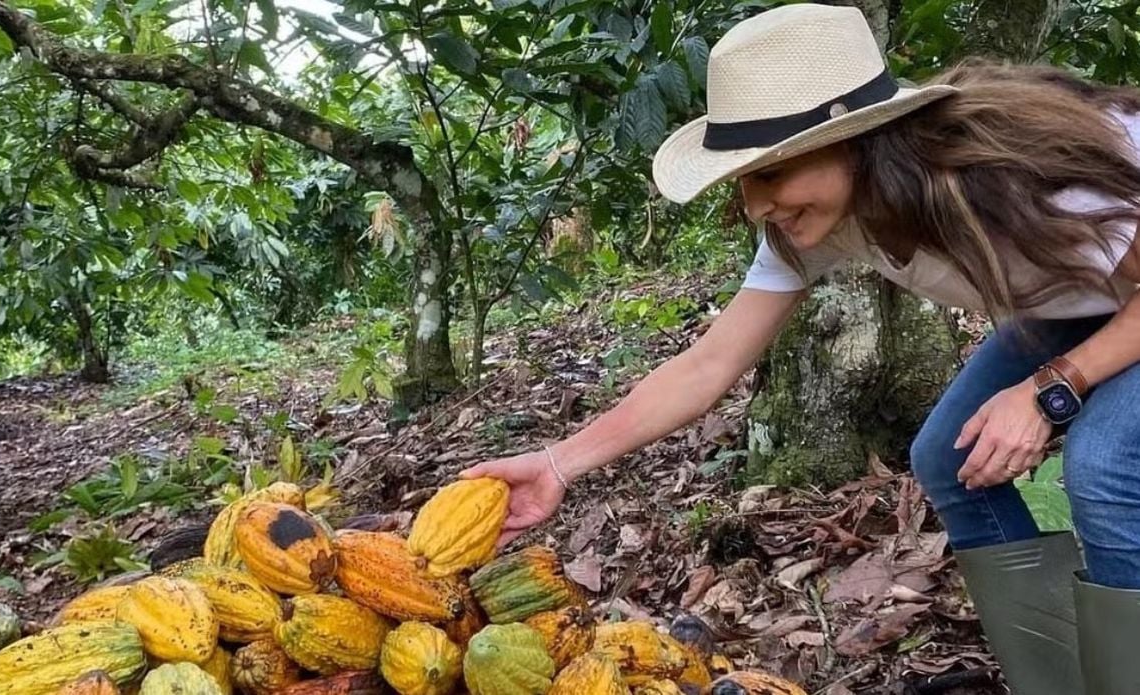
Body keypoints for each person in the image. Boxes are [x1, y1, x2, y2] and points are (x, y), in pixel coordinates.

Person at [461, 4, 1140, 694]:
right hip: (1086, 297)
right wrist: (557, 463)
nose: (756, 204)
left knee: (1102, 463)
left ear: (852, 140)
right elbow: (708, 363)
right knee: (948, 454)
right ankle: (1059, 681)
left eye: (769, 173)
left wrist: (1048, 388)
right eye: (745, 180)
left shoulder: (1003, 173)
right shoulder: (822, 221)